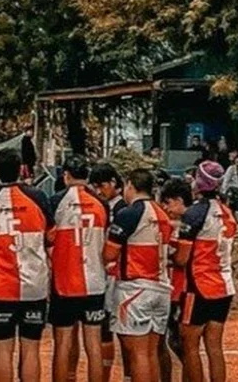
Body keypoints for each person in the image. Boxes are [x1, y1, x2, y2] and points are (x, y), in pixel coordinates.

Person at [0, 148, 54, 382]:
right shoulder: (38, 197)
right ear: (22, 168)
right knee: (31, 348)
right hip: (34, 285)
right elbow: (51, 236)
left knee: (3, 349)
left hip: (3, 286)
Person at [104, 168, 173, 382]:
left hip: (136, 287)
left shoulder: (130, 213)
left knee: (138, 354)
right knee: (151, 352)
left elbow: (109, 253)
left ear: (130, 185)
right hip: (161, 286)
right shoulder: (162, 213)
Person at [174, 162, 237, 382]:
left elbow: (182, 258)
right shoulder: (227, 212)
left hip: (199, 286)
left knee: (189, 345)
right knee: (214, 347)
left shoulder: (194, 213)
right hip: (224, 284)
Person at [49, 157, 110, 382]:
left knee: (62, 344)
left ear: (66, 175)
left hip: (64, 282)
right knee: (93, 345)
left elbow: (49, 238)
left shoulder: (57, 201)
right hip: (94, 280)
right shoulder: (100, 202)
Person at [88, 162, 126, 382]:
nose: (99, 191)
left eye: (101, 186)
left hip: (119, 276)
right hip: (104, 273)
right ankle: (105, 375)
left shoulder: (123, 208)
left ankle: (128, 375)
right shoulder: (100, 205)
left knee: (123, 332)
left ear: (113, 183)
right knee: (104, 329)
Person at [158, 177, 193, 381]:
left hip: (182, 290)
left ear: (179, 200)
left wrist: (167, 255)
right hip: (169, 290)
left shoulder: (190, 224)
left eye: (168, 203)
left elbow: (182, 259)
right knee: (164, 342)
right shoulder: (169, 224)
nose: (165, 207)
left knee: (182, 343)